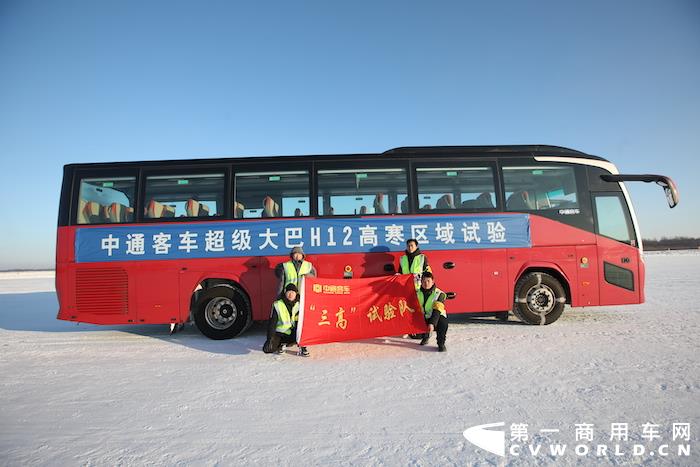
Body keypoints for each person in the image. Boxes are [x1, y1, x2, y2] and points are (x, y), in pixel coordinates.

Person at [262, 283, 310, 356]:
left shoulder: (300, 304)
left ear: (296, 294)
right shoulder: (278, 304)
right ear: (285, 293)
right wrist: (269, 339)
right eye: (288, 292)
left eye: (292, 293)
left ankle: (302, 346)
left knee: (302, 329)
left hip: (295, 332)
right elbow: (272, 323)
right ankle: (281, 344)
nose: (290, 295)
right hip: (281, 333)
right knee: (268, 349)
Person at [416, 272, 448, 352]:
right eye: (423, 281)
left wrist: (432, 323)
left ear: (433, 282)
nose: (426, 283)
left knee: (443, 324)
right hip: (423, 317)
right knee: (415, 335)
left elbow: (437, 310)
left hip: (437, 317)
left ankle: (441, 344)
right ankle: (426, 336)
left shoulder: (440, 294)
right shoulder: (416, 293)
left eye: (428, 281)